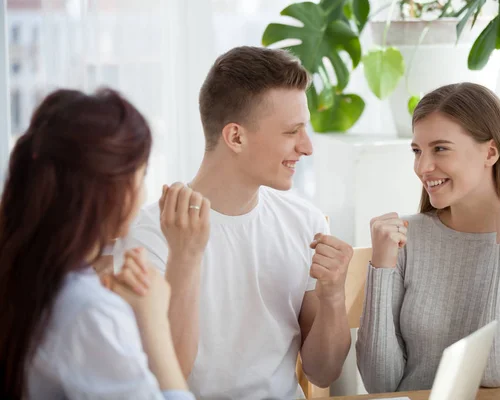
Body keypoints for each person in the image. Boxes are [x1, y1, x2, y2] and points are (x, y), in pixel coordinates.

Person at [117, 46, 353, 399]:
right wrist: (185, 258)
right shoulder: (151, 236)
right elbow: (164, 381)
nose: (307, 147)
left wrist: (333, 296)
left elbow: (323, 371)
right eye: (292, 131)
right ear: (236, 137)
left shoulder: (306, 222)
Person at [356, 82, 500, 393]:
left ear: (490, 152)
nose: (422, 167)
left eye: (440, 148)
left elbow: (496, 372)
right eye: (417, 151)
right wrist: (381, 267)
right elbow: (381, 384)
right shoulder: (405, 238)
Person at [0, 88, 203, 399]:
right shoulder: (89, 312)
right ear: (115, 191)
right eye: (142, 175)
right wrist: (153, 321)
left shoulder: (23, 273)